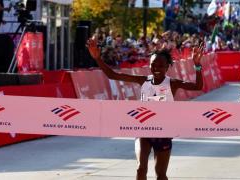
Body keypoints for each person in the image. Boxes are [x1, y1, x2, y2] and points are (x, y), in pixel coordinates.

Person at [87, 34, 204, 180]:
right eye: (153, 64)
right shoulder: (143, 80)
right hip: (144, 131)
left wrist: (197, 65)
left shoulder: (172, 83)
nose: (156, 68)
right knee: (140, 169)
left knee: (160, 175)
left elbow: (198, 86)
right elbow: (112, 75)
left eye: (160, 65)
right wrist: (97, 58)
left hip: (163, 133)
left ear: (167, 67)